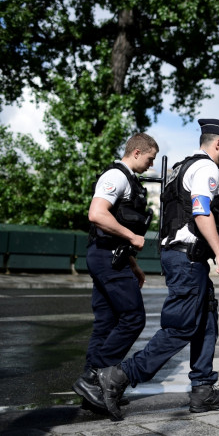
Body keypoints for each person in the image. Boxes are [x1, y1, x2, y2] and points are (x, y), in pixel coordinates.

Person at [97, 119, 219, 420]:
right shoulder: (206, 169)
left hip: (181, 256)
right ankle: (119, 376)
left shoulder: (182, 167)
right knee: (180, 327)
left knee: (206, 321)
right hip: (187, 259)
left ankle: (203, 390)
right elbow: (202, 211)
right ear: (218, 144)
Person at [73, 133, 158, 412]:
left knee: (106, 324)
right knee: (133, 318)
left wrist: (133, 264)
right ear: (136, 152)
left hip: (111, 257)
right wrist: (132, 238)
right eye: (149, 159)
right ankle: (94, 376)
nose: (151, 165)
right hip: (106, 257)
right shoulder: (117, 176)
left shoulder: (129, 179)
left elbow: (114, 223)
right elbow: (97, 214)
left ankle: (91, 393)